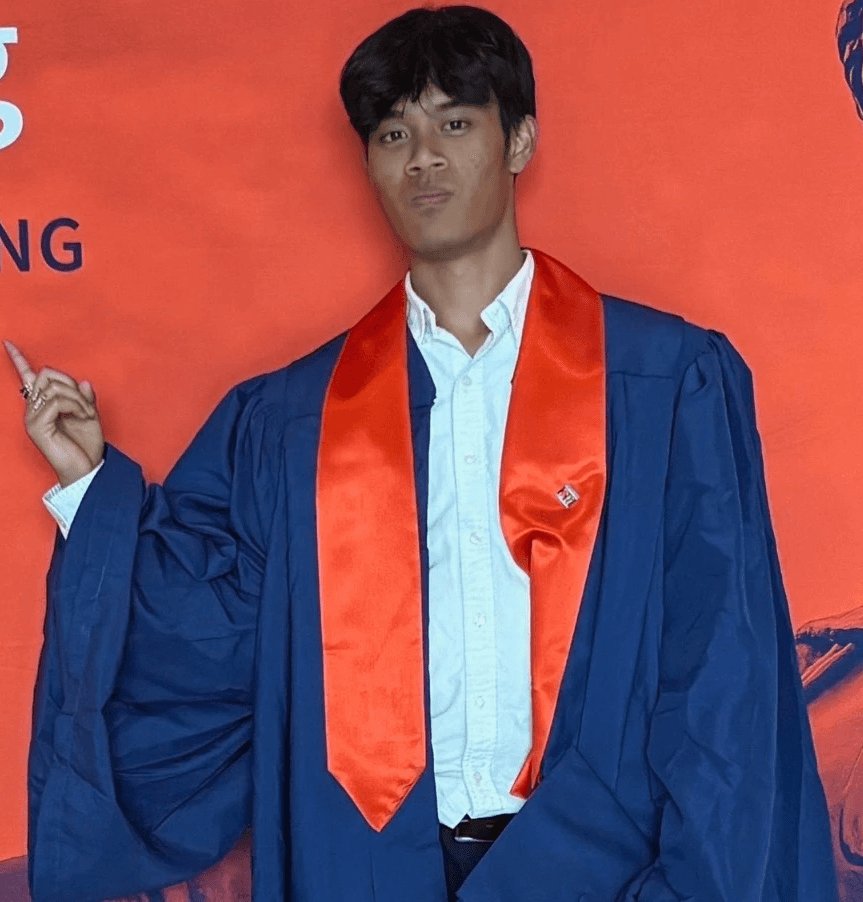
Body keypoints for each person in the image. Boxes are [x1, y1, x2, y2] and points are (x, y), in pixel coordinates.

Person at [6, 6, 839, 901]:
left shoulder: (664, 383)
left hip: (605, 866)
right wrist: (88, 486)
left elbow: (721, 674)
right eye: (392, 134)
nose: (422, 159)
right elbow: (196, 635)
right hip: (368, 867)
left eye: (455, 123)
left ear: (519, 140)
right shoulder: (295, 420)